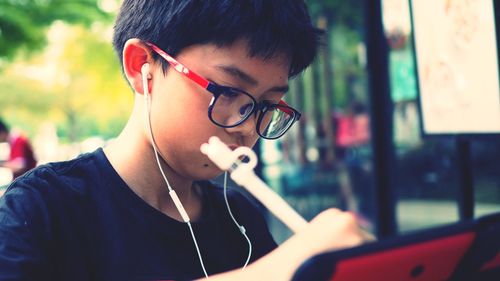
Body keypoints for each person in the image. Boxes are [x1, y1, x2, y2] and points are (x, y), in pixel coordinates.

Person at [0, 1, 370, 280]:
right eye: (227, 91)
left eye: (268, 105)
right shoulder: (39, 212)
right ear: (141, 64)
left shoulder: (239, 218)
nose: (247, 128)